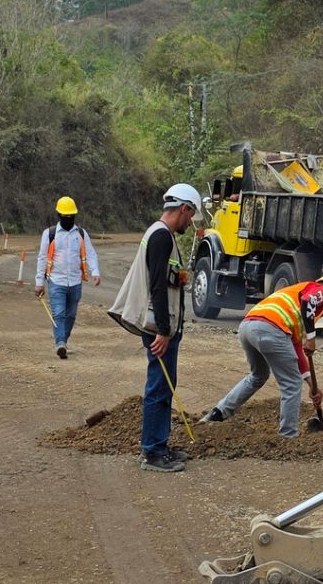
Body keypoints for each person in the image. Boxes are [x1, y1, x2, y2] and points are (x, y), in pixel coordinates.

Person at [107, 183, 202, 473]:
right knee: (159, 388)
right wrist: (163, 330)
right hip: (159, 327)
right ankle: (152, 452)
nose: (190, 222)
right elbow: (157, 287)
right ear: (184, 208)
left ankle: (159, 445)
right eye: (191, 216)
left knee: (164, 386)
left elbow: (165, 280)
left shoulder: (164, 236)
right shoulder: (161, 237)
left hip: (164, 325)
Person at [199, 275, 323, 438]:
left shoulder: (294, 300)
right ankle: (288, 436)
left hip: (248, 327)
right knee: (291, 382)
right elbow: (309, 301)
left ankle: (218, 413)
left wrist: (312, 385)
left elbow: (296, 351)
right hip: (271, 329)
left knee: (258, 376)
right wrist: (311, 338)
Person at [34, 196, 101, 359]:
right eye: (66, 217)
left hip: (76, 281)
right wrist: (39, 283)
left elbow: (91, 254)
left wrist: (95, 272)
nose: (69, 219)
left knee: (71, 315)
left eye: (71, 217)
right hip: (56, 281)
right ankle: (60, 343)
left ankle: (63, 340)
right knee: (58, 313)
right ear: (59, 216)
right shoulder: (49, 234)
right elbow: (42, 258)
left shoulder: (81, 234)